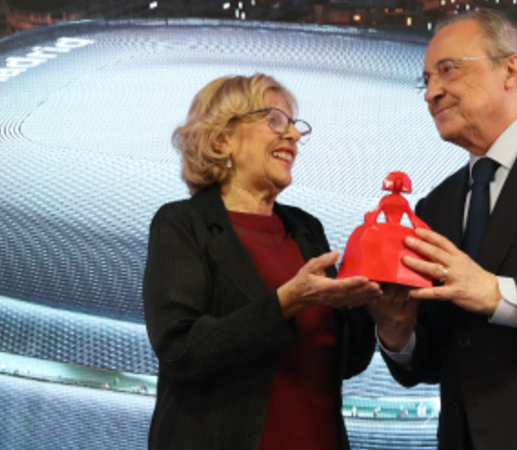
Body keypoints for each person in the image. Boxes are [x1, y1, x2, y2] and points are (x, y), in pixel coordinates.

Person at [369, 9, 517, 450]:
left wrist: (497, 294)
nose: (431, 93)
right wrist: (398, 333)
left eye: (448, 70)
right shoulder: (435, 205)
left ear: (510, 70)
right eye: (426, 80)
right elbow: (434, 359)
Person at [143, 74, 381, 450]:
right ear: (222, 140)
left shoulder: (306, 229)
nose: (294, 135)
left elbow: (345, 362)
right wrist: (285, 303)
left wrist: (376, 308)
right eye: (274, 120)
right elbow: (181, 350)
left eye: (294, 125)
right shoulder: (183, 224)